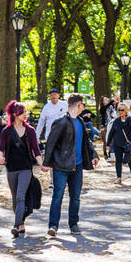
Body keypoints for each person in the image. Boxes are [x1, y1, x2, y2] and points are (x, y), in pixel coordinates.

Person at [42, 93, 97, 237]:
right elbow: (51, 143)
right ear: (79, 105)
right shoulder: (61, 122)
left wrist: (94, 154)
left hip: (77, 166)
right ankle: (53, 225)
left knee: (76, 197)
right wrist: (46, 163)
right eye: (83, 105)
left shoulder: (80, 121)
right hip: (61, 166)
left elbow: (86, 142)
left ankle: (74, 224)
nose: (84, 107)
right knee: (58, 196)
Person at [0, 101, 43, 238]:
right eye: (22, 112)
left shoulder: (30, 131)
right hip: (11, 168)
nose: (25, 114)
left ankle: (15, 226)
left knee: (20, 196)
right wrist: (1, 157)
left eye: (25, 112)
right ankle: (21, 225)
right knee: (15, 198)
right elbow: (1, 149)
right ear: (14, 114)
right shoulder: (6, 132)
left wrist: (41, 164)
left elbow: (36, 151)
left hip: (25, 168)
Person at [106, 103, 131, 185]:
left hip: (128, 144)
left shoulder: (130, 119)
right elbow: (111, 133)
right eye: (119, 110)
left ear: (126, 111)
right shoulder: (116, 121)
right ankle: (119, 178)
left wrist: (128, 118)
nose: (120, 112)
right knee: (118, 161)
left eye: (122, 110)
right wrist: (108, 144)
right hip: (118, 144)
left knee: (129, 160)